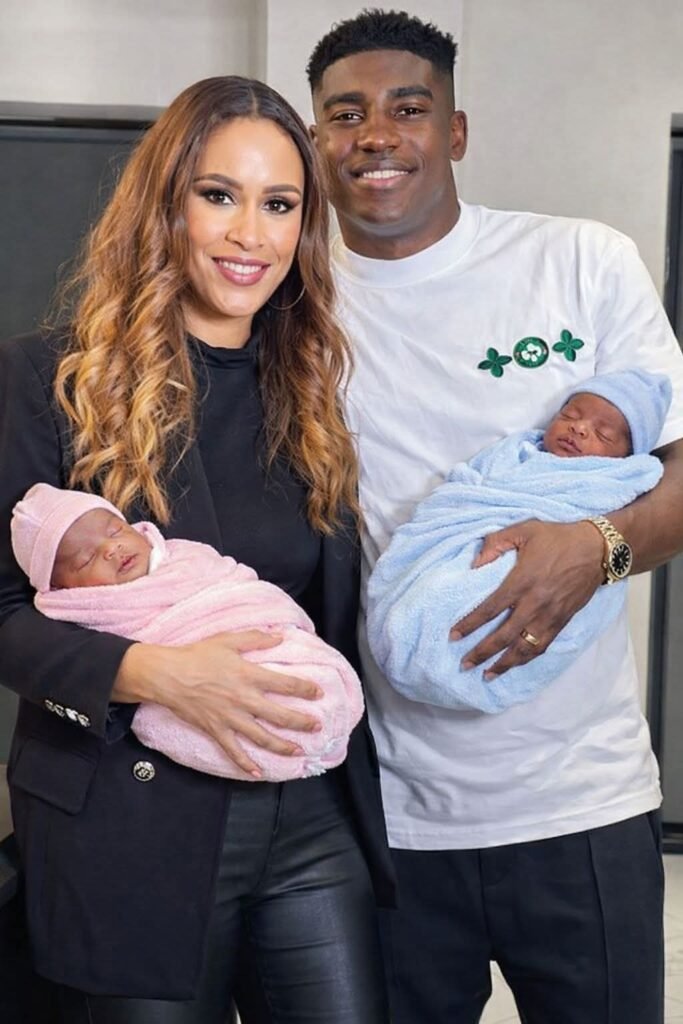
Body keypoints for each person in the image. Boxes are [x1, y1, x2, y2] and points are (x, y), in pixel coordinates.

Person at [307, 9, 683, 1024]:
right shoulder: (294, 309)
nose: (374, 135)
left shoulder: (579, 261)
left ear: (456, 131)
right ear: (316, 139)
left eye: (406, 109)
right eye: (344, 114)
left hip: (579, 797)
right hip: (385, 813)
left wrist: (595, 549)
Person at [0, 75, 394, 1023]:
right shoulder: (46, 379)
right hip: (130, 820)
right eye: (218, 195)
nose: (249, 234)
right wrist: (157, 676)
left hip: (307, 814)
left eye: (279, 204)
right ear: (164, 205)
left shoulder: (312, 391)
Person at [10, 482, 365, 783]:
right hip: (152, 766)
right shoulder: (91, 609)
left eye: (115, 530)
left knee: (303, 684)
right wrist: (164, 673)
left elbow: (235, 581)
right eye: (86, 559)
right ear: (64, 589)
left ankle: (318, 719)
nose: (111, 548)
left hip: (250, 633)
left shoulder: (183, 557)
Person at [367, 368, 670, 713]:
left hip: (542, 565)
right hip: (472, 534)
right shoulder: (517, 452)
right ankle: (417, 628)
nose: (579, 428)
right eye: (570, 415)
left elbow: (607, 525)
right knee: (437, 591)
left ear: (626, 459)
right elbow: (466, 486)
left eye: (603, 434)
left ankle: (438, 647)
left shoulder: (612, 482)